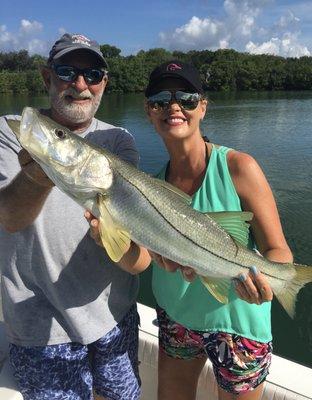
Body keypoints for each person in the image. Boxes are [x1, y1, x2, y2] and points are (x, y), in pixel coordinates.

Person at [0, 33, 150, 400]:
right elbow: (9, 217)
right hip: (41, 330)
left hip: (114, 318)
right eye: (67, 71)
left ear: (104, 84)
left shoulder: (119, 140)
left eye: (93, 74)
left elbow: (136, 253)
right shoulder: (12, 130)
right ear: (46, 77)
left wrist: (117, 240)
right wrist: (39, 171)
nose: (80, 84)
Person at [142, 60, 293, 400]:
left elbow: (279, 251)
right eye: (161, 100)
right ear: (149, 112)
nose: (174, 107)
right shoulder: (150, 187)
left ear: (204, 107)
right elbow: (143, 254)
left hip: (237, 324)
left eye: (187, 97)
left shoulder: (239, 167)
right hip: (176, 315)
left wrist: (268, 282)